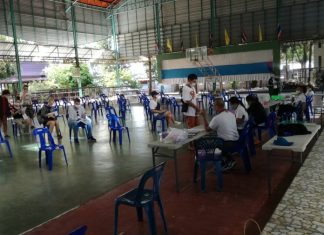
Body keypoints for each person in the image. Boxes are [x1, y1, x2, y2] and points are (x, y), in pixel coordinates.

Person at [201, 98, 239, 171]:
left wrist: (204, 116)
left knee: (209, 144)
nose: (213, 107)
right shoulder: (231, 114)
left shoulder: (217, 118)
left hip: (227, 144)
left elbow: (207, 129)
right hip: (236, 140)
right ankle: (228, 159)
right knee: (217, 138)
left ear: (217, 106)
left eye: (214, 106)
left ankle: (227, 161)